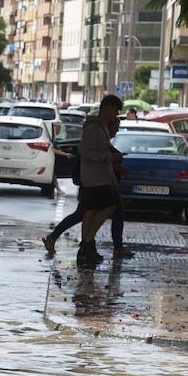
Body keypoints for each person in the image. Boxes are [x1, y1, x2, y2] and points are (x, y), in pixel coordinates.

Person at [73, 94, 126, 267]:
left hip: (99, 176)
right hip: (94, 177)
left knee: (91, 210)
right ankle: (87, 241)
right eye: (115, 110)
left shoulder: (101, 127)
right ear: (107, 108)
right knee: (107, 207)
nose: (116, 114)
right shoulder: (94, 128)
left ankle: (87, 244)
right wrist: (108, 157)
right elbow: (85, 151)